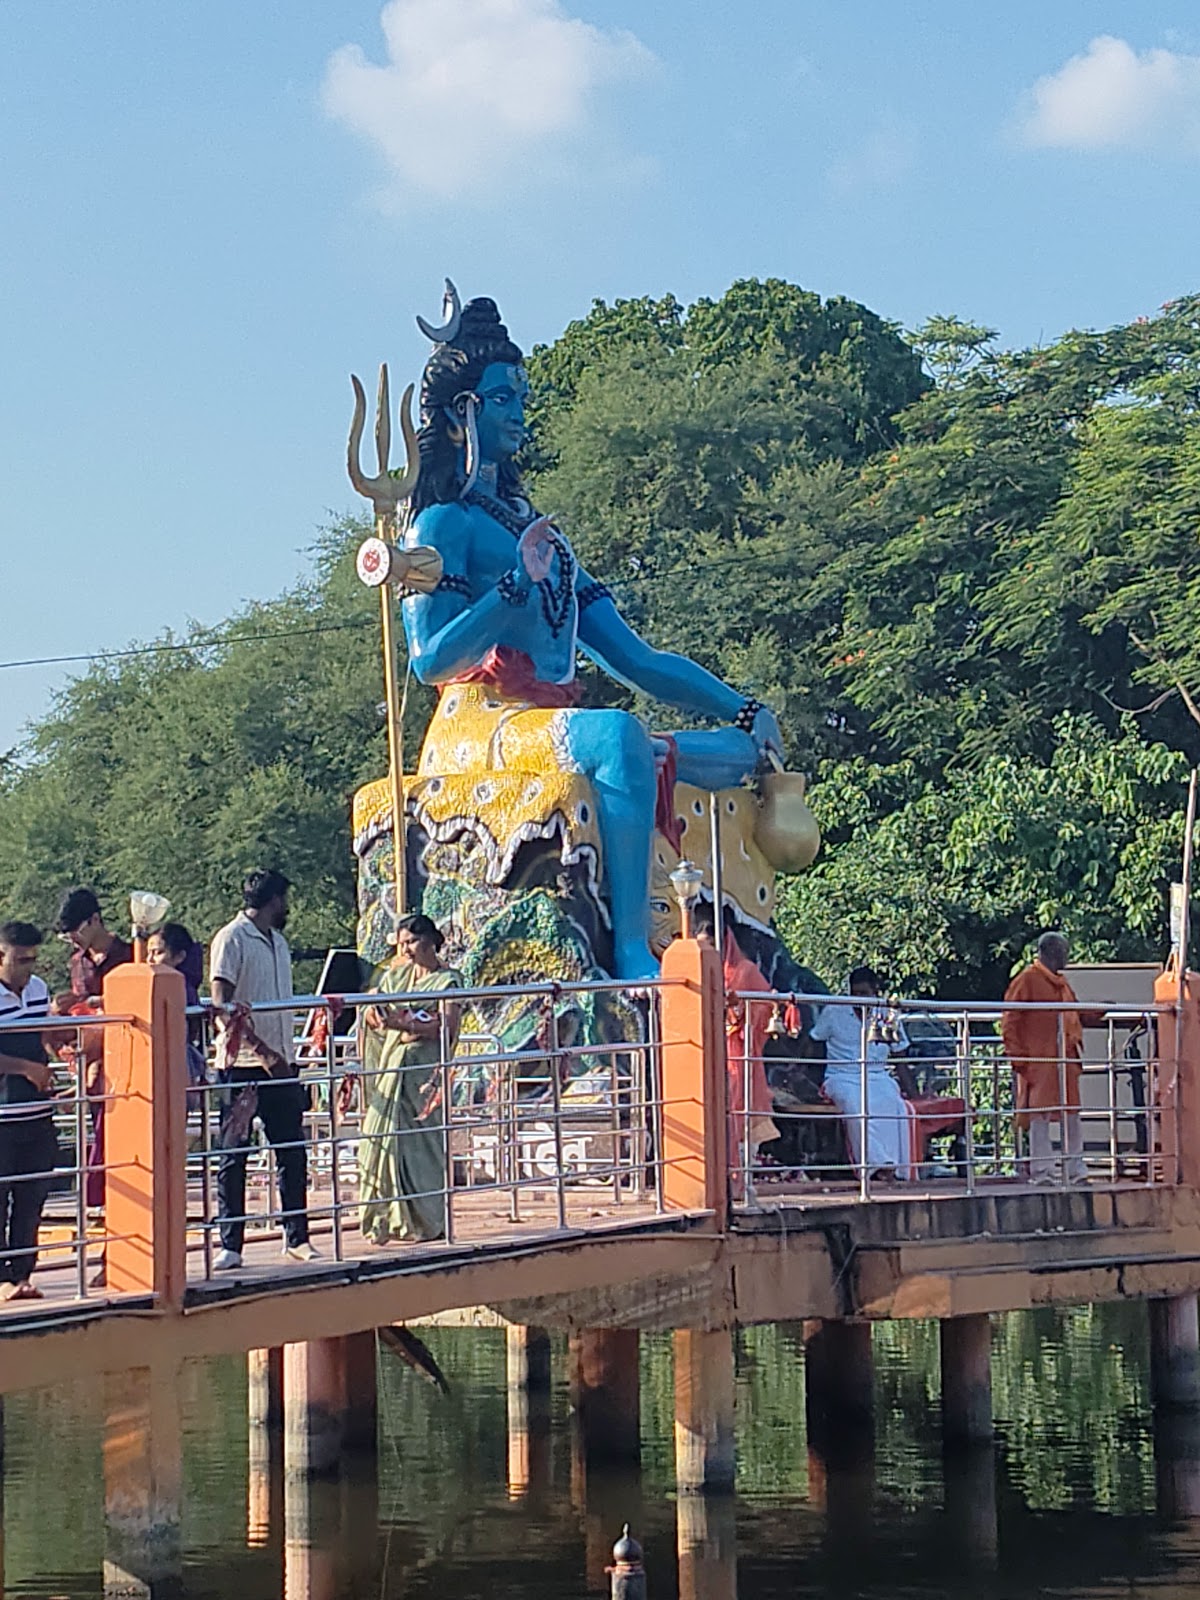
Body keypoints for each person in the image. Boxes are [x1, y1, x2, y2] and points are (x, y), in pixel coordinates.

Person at [400, 295, 783, 979]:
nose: (518, 413)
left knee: (732, 754)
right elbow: (431, 660)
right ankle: (632, 946)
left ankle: (688, 923)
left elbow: (636, 658)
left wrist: (745, 710)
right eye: (501, 399)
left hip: (549, 722)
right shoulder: (442, 525)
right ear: (463, 413)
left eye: (521, 398)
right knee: (618, 736)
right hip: (479, 725)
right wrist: (511, 588)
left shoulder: (540, 535)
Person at [209, 870, 316, 1270]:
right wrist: (260, 1049)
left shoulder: (279, 941)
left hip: (281, 1065)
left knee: (292, 1152)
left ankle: (297, 1237)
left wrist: (281, 1054)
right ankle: (231, 1244)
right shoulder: (231, 938)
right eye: (284, 899)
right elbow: (221, 1004)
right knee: (234, 1153)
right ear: (273, 900)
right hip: (243, 1067)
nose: (287, 907)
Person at [354, 914, 462, 1246]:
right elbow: (377, 1005)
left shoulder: (448, 982)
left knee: (420, 1144)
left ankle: (426, 1221)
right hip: (392, 1066)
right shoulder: (398, 975)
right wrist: (372, 1010)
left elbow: (446, 1028)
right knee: (377, 1138)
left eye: (411, 942)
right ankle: (384, 1220)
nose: (405, 950)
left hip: (422, 1075)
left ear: (429, 941)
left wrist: (406, 1025)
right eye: (401, 943)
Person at [1001, 932, 1104, 1185]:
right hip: (1039, 1060)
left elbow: (1076, 1013)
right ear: (1051, 953)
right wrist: (1018, 1058)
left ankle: (1075, 1170)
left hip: (1065, 1058)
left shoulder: (1061, 984)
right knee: (1040, 1116)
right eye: (1064, 952)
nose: (1067, 957)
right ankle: (1042, 1171)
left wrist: (1101, 1009)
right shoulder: (1027, 980)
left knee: (1071, 1114)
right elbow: (1010, 1021)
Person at [55, 888, 132, 1214]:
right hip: (92, 1061)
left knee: (120, 1135)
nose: (73, 939)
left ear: (95, 920)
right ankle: (102, 1201)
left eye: (76, 931)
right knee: (99, 1131)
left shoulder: (130, 955)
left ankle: (115, 1199)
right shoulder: (77, 963)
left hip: (126, 1059)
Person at [692, 903, 778, 1189]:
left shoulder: (745, 971)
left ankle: (740, 1179)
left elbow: (766, 1006)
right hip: (703, 1052)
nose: (707, 953)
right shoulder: (697, 972)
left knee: (738, 1110)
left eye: (710, 946)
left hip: (737, 1054)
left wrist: (739, 1010)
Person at [0, 923, 60, 1301]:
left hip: (37, 1112)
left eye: (33, 960)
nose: (28, 968)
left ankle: (21, 1275)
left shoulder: (38, 989)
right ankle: (1, 1279)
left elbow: (43, 1038)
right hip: (3, 1116)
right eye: (21, 960)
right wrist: (25, 1069)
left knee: (32, 1198)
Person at [809, 967, 912, 1180]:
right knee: (855, 1107)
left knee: (895, 1107)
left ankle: (895, 1166)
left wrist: (914, 1092)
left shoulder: (887, 1014)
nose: (859, 999)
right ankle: (876, 1166)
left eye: (864, 993)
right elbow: (813, 1042)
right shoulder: (834, 1010)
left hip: (878, 1076)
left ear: (876, 991)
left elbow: (900, 1055)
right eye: (855, 993)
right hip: (841, 1076)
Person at [147, 923, 207, 1108]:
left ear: (179, 956)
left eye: (158, 953)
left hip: (176, 1060)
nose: (149, 960)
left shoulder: (183, 988)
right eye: (148, 953)